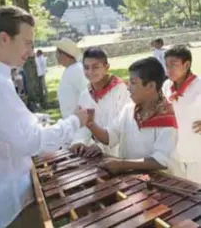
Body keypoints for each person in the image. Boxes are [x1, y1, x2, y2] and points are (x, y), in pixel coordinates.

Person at [0, 6, 88, 228]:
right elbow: (34, 143)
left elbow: (3, 127)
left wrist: (35, 121)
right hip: (10, 207)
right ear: (4, 38)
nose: (31, 51)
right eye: (27, 42)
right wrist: (75, 121)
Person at [85, 57, 178, 175]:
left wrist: (122, 165)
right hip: (133, 180)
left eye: (133, 83)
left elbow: (161, 160)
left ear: (150, 86)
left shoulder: (167, 117)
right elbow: (110, 137)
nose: (128, 87)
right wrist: (91, 124)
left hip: (161, 185)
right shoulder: (129, 109)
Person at [71, 47, 129, 157]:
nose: (90, 72)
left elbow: (123, 123)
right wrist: (79, 141)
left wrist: (101, 146)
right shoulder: (86, 94)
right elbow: (83, 124)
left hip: (121, 154)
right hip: (100, 157)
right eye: (86, 68)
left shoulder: (121, 89)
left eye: (95, 67)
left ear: (106, 67)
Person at [163, 44, 201, 184]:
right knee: (181, 191)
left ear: (187, 65)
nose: (169, 69)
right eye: (167, 65)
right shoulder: (167, 85)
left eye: (173, 65)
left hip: (197, 151)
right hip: (175, 151)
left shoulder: (199, 85)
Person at [54, 37, 88, 118]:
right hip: (72, 122)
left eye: (57, 53)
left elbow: (87, 94)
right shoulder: (71, 69)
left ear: (64, 55)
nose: (56, 56)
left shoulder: (77, 70)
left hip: (80, 125)